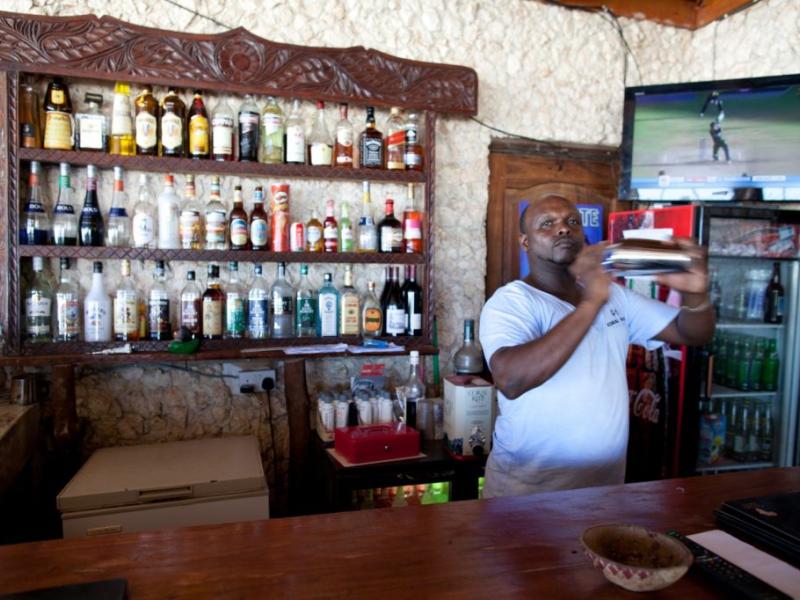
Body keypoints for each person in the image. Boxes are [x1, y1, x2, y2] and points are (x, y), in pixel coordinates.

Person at [479, 196, 714, 498]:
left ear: (584, 236)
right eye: (547, 224)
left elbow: (690, 332)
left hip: (604, 490)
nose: (563, 229)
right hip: (526, 493)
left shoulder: (615, 296)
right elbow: (511, 380)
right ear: (525, 242)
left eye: (572, 222)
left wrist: (696, 294)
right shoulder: (512, 302)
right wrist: (592, 302)